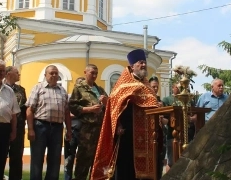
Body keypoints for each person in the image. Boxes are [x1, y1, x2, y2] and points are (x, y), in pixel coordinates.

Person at [91, 49, 161, 180]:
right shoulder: (123, 84)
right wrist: (117, 125)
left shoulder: (147, 85)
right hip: (127, 133)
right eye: (140, 63)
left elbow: (152, 103)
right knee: (126, 168)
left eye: (144, 62)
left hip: (147, 134)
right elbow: (114, 107)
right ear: (132, 66)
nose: (144, 65)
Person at [25, 65, 72, 180]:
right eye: (51, 73)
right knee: (37, 158)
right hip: (40, 127)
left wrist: (69, 131)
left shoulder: (62, 91)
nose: (54, 75)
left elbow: (66, 112)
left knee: (55, 159)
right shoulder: (38, 88)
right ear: (45, 75)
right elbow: (30, 110)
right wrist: (30, 129)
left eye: (56, 73)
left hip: (57, 128)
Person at [69, 65, 108, 180]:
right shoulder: (79, 88)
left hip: (100, 129)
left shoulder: (100, 89)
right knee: (83, 160)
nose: (95, 76)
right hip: (87, 130)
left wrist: (106, 102)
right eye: (92, 73)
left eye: (96, 73)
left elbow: (109, 108)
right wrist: (89, 109)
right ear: (85, 72)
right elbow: (72, 106)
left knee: (98, 161)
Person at [4, 66, 27, 180]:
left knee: (17, 157)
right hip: (3, 126)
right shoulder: (0, 88)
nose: (19, 74)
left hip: (18, 127)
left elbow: (24, 108)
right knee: (0, 156)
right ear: (8, 74)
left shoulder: (21, 90)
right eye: (17, 72)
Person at [64, 77, 84, 180]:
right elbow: (66, 114)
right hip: (71, 131)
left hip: (84, 132)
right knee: (69, 159)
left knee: (82, 159)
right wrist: (82, 112)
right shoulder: (69, 97)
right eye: (79, 84)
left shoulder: (86, 99)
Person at [161, 83, 182, 171]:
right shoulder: (166, 99)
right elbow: (164, 116)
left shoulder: (185, 99)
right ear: (173, 88)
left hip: (185, 133)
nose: (179, 89)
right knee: (171, 161)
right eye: (177, 87)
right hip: (171, 134)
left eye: (181, 87)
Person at [148, 75, 166, 180]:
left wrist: (161, 112)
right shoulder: (145, 100)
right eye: (153, 87)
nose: (155, 89)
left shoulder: (160, 101)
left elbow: (165, 121)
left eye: (156, 87)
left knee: (159, 161)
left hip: (160, 134)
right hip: (149, 136)